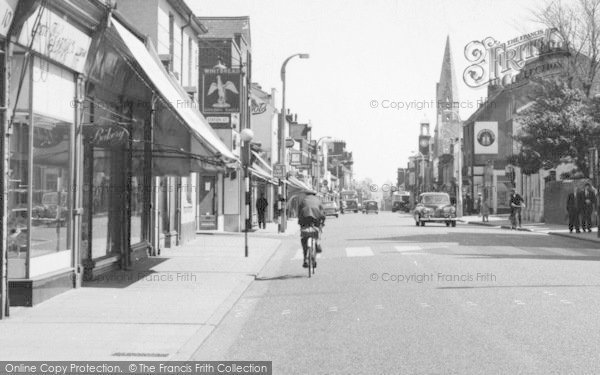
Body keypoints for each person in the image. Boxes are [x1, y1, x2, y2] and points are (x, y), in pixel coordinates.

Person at [298, 190, 326, 269]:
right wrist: (323, 221)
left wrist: (300, 222)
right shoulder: (318, 200)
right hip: (316, 218)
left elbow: (299, 212)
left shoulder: (303, 200)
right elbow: (323, 212)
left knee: (304, 238)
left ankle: (305, 259)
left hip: (304, 218)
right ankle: (317, 244)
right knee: (318, 230)